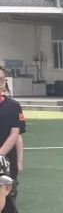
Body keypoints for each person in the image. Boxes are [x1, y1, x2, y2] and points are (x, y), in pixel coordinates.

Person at [0, 69, 25, 202]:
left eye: (2, 79)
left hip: (7, 164)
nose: (0, 83)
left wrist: (19, 161)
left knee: (8, 206)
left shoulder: (13, 106)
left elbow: (16, 134)